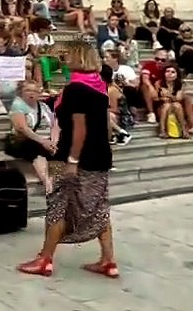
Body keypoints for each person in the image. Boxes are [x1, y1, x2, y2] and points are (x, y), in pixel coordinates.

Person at [17, 41, 118, 279]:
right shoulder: (99, 86)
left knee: (58, 207)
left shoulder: (75, 90)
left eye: (67, 55)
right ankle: (108, 260)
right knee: (98, 207)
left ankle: (45, 258)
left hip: (74, 158)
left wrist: (73, 160)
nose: (63, 60)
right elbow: (105, 125)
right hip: (99, 156)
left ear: (77, 57)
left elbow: (79, 129)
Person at [4, 80, 56, 194]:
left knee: (59, 149)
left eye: (34, 91)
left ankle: (57, 180)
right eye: (27, 90)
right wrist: (43, 142)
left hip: (44, 139)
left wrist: (54, 141)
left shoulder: (44, 106)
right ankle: (47, 182)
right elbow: (22, 128)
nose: (31, 93)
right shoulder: (18, 105)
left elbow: (54, 125)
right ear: (22, 92)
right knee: (35, 147)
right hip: (21, 140)